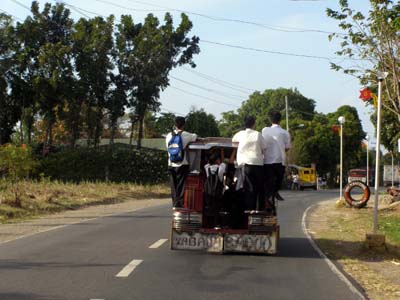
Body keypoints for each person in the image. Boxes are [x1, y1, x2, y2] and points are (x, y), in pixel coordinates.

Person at [232, 116, 267, 212]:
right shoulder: (258, 134)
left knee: (249, 186)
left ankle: (249, 208)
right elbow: (264, 147)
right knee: (259, 187)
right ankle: (259, 208)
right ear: (254, 124)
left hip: (246, 164)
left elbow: (233, 140)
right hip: (258, 163)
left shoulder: (241, 134)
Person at [166, 116, 197, 209]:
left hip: (171, 163)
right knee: (181, 184)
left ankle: (174, 203)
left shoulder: (168, 136)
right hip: (182, 163)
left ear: (175, 124)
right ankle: (180, 203)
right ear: (184, 125)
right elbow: (195, 137)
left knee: (173, 185)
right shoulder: (186, 135)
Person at [261, 111, 291, 201]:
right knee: (279, 180)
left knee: (267, 182)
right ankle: (275, 191)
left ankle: (268, 197)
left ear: (270, 120)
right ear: (280, 120)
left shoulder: (265, 130)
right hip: (279, 160)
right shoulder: (285, 133)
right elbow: (287, 147)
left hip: (267, 160)